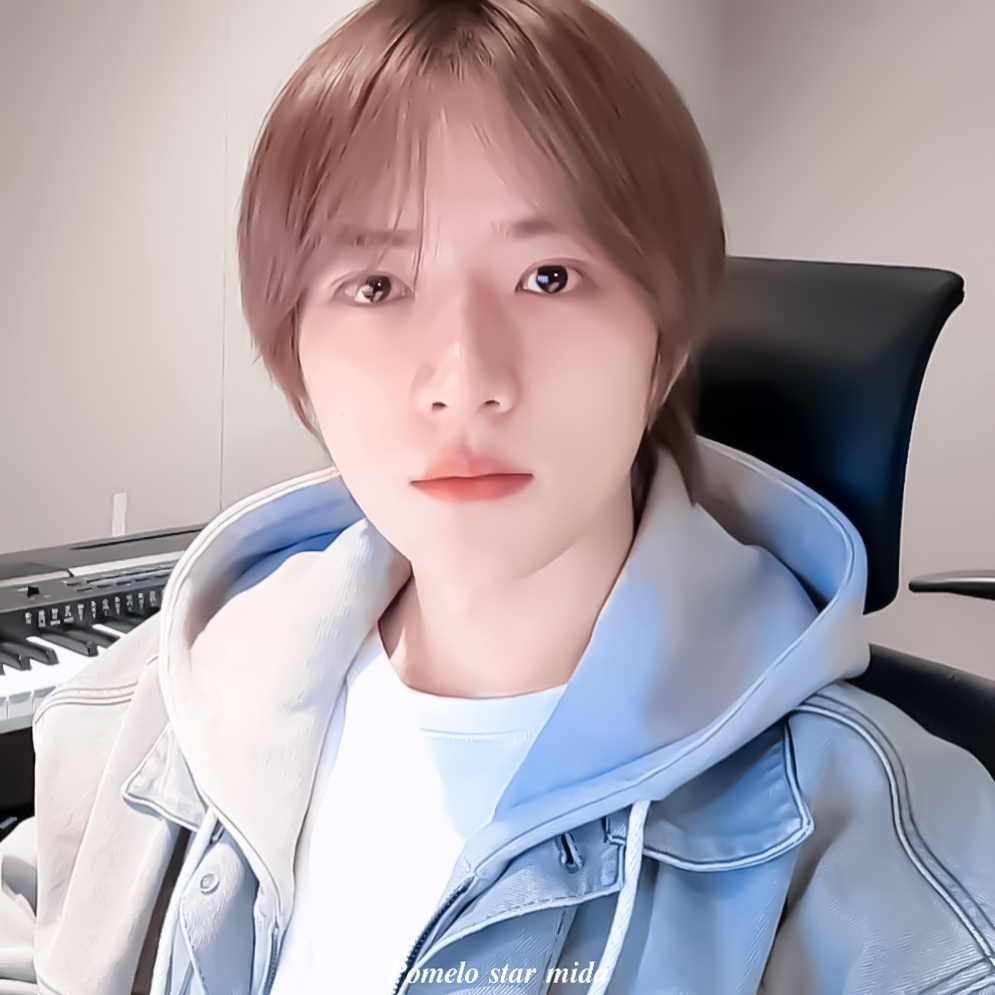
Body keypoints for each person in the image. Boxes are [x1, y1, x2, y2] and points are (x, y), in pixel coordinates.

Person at [2, 0, 995, 992]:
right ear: (292, 352)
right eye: (377, 285)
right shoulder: (153, 704)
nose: (464, 377)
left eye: (548, 275)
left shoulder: (887, 863)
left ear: (665, 345)